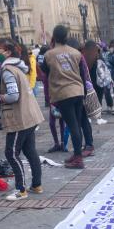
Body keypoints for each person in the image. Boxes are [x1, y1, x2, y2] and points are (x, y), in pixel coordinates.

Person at [0, 38, 45, 200]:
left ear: (7, 52)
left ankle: (21, 189)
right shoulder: (18, 67)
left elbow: (13, 96)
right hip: (30, 116)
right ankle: (36, 184)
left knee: (11, 153)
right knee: (30, 151)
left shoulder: (8, 70)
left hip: (19, 119)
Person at [40, 25, 87, 169]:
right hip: (78, 90)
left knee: (72, 125)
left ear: (54, 38)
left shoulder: (49, 54)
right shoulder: (76, 53)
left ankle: (78, 158)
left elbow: (46, 73)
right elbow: (82, 74)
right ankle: (77, 153)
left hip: (63, 92)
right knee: (76, 124)